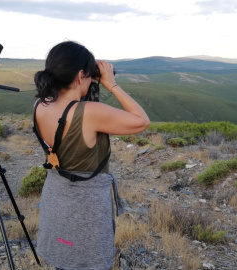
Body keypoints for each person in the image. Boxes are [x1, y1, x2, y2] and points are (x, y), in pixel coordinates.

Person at [33, 40, 150, 269]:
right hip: (87, 205)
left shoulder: (40, 104)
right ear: (79, 75)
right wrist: (112, 85)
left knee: (63, 255)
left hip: (56, 196)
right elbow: (141, 121)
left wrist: (84, 84)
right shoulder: (89, 113)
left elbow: (67, 107)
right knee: (89, 261)